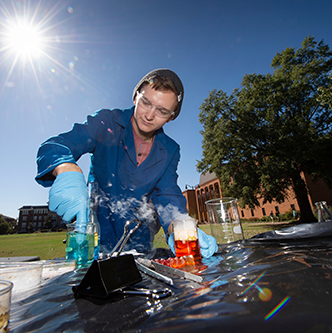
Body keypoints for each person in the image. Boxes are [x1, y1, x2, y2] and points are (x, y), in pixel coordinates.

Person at [36, 68, 217, 257]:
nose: (149, 115)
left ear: (172, 117)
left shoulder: (170, 150)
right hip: (94, 237)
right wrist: (66, 168)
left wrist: (178, 227)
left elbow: (167, 194)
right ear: (135, 97)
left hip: (139, 243)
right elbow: (56, 144)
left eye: (162, 111)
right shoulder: (106, 122)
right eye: (146, 102)